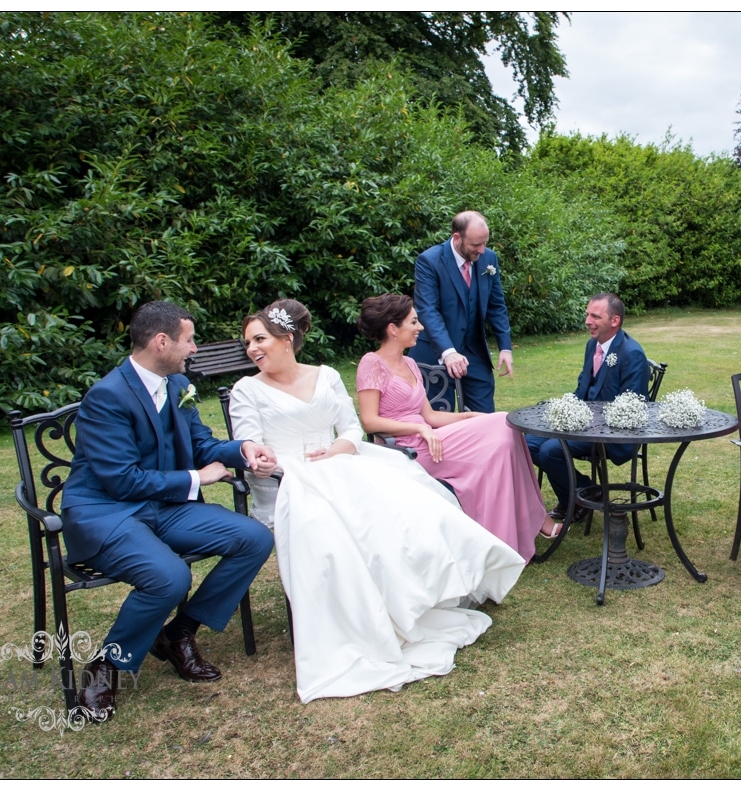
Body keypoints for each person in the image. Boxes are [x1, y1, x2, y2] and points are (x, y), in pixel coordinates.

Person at [230, 299, 526, 702]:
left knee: (410, 505)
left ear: (287, 339)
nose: (252, 349)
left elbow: (353, 427)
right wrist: (262, 460)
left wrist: (339, 448)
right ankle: (363, 625)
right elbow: (249, 444)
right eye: (248, 342)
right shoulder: (248, 389)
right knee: (333, 528)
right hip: (290, 479)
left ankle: (421, 599)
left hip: (342, 460)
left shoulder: (326, 375)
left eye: (259, 339)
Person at [60, 301, 278, 721]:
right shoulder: (107, 396)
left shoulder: (177, 387)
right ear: (162, 342)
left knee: (254, 538)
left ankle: (178, 634)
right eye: (189, 339)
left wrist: (242, 449)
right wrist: (197, 479)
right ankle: (106, 666)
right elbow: (121, 480)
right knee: (169, 577)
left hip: (165, 507)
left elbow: (202, 443)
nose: (194, 349)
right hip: (109, 512)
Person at [356, 294, 558, 561]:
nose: (421, 328)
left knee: (505, 423)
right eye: (414, 322)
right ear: (393, 329)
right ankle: (518, 529)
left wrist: (470, 417)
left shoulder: (411, 363)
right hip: (404, 451)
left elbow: (430, 415)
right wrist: (418, 430)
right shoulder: (372, 363)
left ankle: (523, 524)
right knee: (498, 438)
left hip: (432, 439)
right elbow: (369, 421)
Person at [526, 293, 649, 522]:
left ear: (615, 321)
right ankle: (586, 491)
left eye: (595, 316)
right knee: (528, 443)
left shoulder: (632, 354)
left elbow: (633, 409)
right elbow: (583, 389)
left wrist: (587, 423)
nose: (587, 321)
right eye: (587, 315)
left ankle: (573, 501)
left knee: (552, 450)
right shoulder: (592, 345)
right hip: (582, 424)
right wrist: (565, 410)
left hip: (612, 432)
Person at [407, 210, 513, 412]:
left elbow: (497, 305)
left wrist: (505, 347)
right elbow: (428, 310)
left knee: (484, 419)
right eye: (475, 245)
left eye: (484, 243)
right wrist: (448, 352)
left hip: (474, 353)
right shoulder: (429, 261)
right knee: (438, 421)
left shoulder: (489, 258)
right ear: (457, 237)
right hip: (435, 353)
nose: (481, 250)